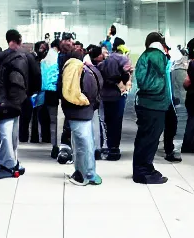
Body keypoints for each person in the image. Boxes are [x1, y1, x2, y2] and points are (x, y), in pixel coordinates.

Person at [0, 30, 41, 180]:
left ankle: (8, 165)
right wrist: (28, 94)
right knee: (12, 134)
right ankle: (12, 162)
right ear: (20, 40)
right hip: (20, 99)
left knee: (5, 134)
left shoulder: (2, 57)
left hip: (5, 99)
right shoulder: (27, 56)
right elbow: (37, 78)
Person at [133, 32, 171, 185]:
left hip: (150, 104)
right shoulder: (156, 55)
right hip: (153, 104)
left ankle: (143, 168)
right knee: (149, 139)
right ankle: (143, 171)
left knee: (145, 138)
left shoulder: (147, 55)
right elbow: (153, 80)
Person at [61, 51, 103, 186]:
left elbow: (66, 91)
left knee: (81, 145)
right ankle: (89, 172)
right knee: (88, 143)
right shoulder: (89, 68)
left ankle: (83, 175)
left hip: (77, 111)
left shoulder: (73, 69)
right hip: (87, 111)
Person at [96, 39, 131, 161]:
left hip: (104, 95)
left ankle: (103, 146)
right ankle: (114, 149)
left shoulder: (105, 62)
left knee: (105, 121)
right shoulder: (123, 59)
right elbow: (127, 72)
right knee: (116, 122)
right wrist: (123, 83)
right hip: (117, 95)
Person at [41, 39, 60, 158]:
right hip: (56, 92)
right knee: (57, 121)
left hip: (46, 93)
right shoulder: (57, 58)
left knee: (52, 121)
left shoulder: (45, 59)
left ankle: (54, 146)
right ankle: (57, 146)